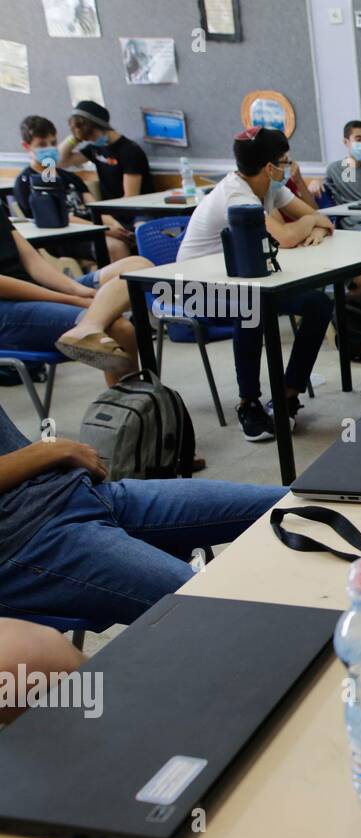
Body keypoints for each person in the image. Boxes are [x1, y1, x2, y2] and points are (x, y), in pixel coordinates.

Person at [0, 402, 284, 647]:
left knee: (298, 503)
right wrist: (51, 449)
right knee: (229, 615)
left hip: (78, 491)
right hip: (29, 542)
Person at [177, 126, 337, 442]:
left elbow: (321, 218)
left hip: (241, 280)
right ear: (269, 167)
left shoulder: (268, 187)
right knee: (253, 308)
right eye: (285, 162)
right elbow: (288, 236)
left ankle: (286, 395)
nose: (288, 168)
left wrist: (315, 228)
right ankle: (248, 403)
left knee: (317, 303)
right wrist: (308, 227)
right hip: (196, 288)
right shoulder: (236, 194)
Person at [0, 198, 146, 381]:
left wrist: (76, 289)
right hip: (6, 307)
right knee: (118, 328)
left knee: (138, 265)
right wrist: (72, 299)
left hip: (38, 291)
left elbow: (32, 261)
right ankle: (129, 404)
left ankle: (89, 325)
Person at [13, 115, 133, 263]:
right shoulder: (26, 182)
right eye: (42, 144)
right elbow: (58, 218)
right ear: (27, 146)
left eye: (53, 142)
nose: (50, 148)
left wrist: (115, 225)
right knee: (116, 247)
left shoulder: (69, 177)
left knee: (133, 238)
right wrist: (104, 230)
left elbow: (94, 208)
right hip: (63, 237)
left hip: (92, 229)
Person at [57, 101, 153, 217]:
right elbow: (60, 162)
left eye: (91, 135)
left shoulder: (129, 151)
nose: (90, 140)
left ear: (103, 127)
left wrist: (107, 216)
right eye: (86, 138)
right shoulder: (95, 148)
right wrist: (75, 138)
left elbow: (130, 198)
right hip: (111, 211)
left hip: (135, 212)